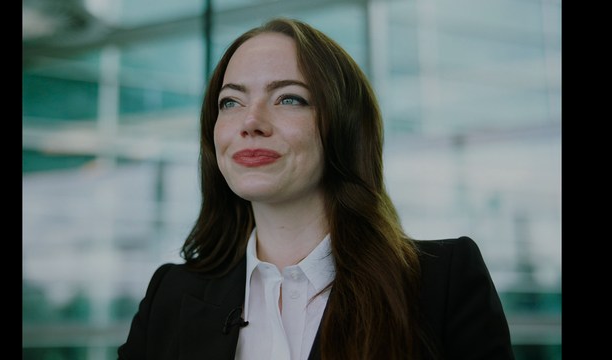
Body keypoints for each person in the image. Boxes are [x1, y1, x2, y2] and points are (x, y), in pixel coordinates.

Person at [118, 17, 514, 360]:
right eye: (230, 102)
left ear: (343, 127)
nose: (250, 121)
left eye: (289, 98)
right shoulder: (169, 295)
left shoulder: (441, 282)